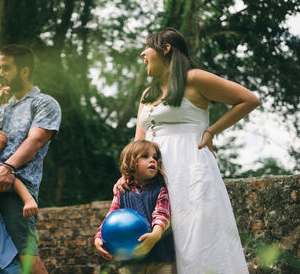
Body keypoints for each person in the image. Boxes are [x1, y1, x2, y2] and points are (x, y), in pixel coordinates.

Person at [114, 27, 260, 273]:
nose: (142, 53)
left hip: (189, 168)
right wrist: (127, 174)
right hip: (154, 175)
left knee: (195, 236)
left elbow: (248, 99)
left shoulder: (195, 78)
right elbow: (138, 143)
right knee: (157, 234)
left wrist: (211, 131)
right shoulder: (147, 94)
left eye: (147, 47)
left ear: (166, 49)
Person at [0, 44, 61, 274]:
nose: (0, 74)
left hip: (15, 187)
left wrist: (8, 167)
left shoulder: (44, 103)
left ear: (24, 71)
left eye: (6, 68)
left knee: (26, 256)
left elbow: (35, 141)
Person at [95, 140, 175, 274]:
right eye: (145, 156)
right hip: (129, 262)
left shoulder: (160, 190)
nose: (152, 160)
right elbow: (110, 217)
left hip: (159, 260)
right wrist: (99, 238)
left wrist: (156, 234)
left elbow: (162, 214)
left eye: (155, 157)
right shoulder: (122, 192)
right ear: (131, 162)